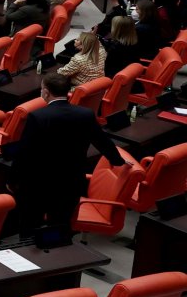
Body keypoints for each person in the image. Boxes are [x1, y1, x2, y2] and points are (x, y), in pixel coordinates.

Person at [11, 72, 132, 233]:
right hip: (71, 182)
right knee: (61, 224)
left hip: (39, 183)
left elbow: (24, 152)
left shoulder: (38, 116)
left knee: (30, 224)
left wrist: (12, 179)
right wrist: (118, 161)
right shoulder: (85, 114)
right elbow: (102, 142)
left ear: (46, 92)